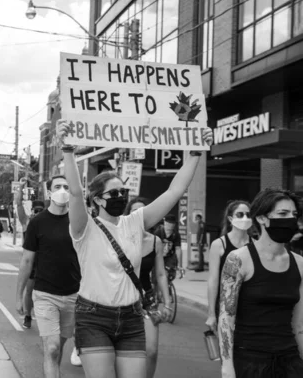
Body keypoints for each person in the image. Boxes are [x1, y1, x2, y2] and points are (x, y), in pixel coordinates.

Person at [56, 119, 212, 378]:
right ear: (97, 200)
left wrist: (196, 152)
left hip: (131, 317)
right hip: (93, 317)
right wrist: (68, 150)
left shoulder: (136, 222)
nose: (121, 197)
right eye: (113, 194)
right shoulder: (84, 226)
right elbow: (74, 192)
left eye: (123, 192)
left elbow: (174, 191)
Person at [218, 188, 303, 378]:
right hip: (249, 360)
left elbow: (299, 325)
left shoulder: (300, 264)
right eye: (283, 213)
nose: (290, 219)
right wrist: (227, 366)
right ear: (262, 218)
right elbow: (226, 318)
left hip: (289, 361)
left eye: (294, 214)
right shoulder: (238, 259)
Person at [15, 175, 81, 378]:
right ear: (50, 192)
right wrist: (19, 296)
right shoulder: (37, 222)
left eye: (66, 187)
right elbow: (26, 261)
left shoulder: (79, 220)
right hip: (45, 294)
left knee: (57, 348)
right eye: (58, 186)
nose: (62, 190)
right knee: (51, 349)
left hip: (73, 295)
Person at [125, 198, 173, 378]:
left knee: (151, 350)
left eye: (143, 211)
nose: (138, 215)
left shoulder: (156, 242)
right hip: (119, 298)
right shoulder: (117, 237)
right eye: (134, 211)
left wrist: (167, 303)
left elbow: (160, 274)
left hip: (147, 300)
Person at [205, 200, 251, 335]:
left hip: (250, 307)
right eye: (240, 214)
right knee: (226, 351)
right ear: (231, 219)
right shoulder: (219, 245)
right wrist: (211, 314)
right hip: (225, 307)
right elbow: (213, 280)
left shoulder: (255, 244)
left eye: (248, 215)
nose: (245, 218)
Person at [15, 180, 45, 330]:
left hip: (46, 263)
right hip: (31, 263)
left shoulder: (49, 222)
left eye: (41, 211)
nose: (38, 214)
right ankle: (28, 315)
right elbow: (19, 205)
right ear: (32, 211)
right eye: (36, 211)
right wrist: (19, 189)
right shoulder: (27, 223)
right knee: (30, 290)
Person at [154, 215, 183, 280]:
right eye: (168, 224)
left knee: (170, 275)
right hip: (158, 256)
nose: (169, 226)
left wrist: (179, 265)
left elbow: (178, 249)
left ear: (174, 225)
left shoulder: (176, 234)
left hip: (170, 257)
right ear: (164, 222)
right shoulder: (158, 232)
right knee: (155, 278)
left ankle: (168, 286)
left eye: (172, 224)